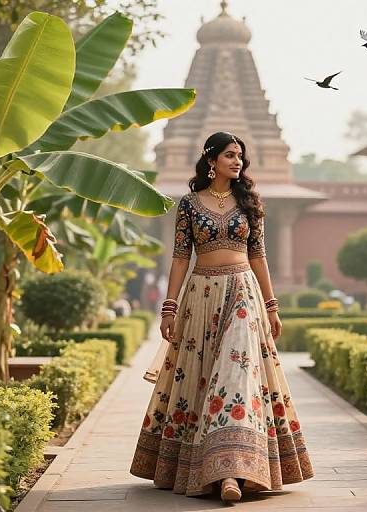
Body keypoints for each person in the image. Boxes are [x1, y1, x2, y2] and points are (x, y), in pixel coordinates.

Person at [130, 132, 314, 502]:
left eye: (241, 157)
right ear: (211, 160)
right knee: (201, 379)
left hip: (243, 294)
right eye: (230, 155)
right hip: (201, 297)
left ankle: (232, 472)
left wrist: (272, 304)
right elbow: (180, 257)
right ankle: (208, 468)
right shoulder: (189, 204)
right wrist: (169, 307)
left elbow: (259, 257)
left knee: (237, 374)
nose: (238, 162)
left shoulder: (249, 203)